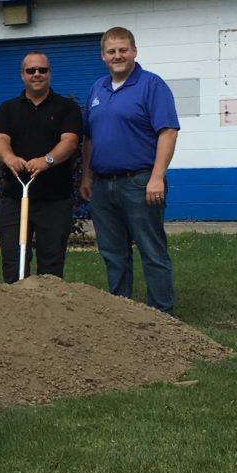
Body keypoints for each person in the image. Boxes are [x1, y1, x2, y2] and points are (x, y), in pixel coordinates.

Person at [80, 26, 180, 312]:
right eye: (111, 51)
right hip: (102, 185)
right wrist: (86, 175)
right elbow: (89, 137)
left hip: (140, 182)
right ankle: (121, 312)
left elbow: (168, 132)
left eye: (123, 50)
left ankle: (162, 313)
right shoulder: (97, 88)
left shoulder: (152, 85)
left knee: (152, 250)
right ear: (103, 56)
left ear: (134, 51)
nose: (118, 56)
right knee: (112, 253)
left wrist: (157, 176)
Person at [0, 51, 83, 283]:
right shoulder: (7, 108)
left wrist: (47, 160)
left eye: (42, 70)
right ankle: (18, 311)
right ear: (22, 75)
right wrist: (9, 157)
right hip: (15, 198)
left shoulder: (67, 108)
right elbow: (0, 140)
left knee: (51, 264)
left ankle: (49, 314)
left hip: (55, 200)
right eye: (31, 70)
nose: (37, 74)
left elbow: (70, 141)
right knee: (14, 261)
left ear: (49, 73)